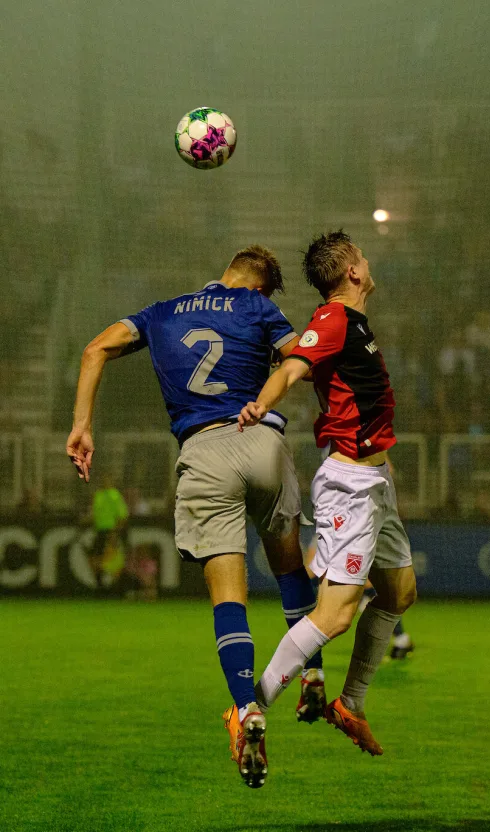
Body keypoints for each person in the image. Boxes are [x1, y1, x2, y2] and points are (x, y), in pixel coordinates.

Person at [66, 245, 325, 789]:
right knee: (288, 572)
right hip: (264, 441)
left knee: (228, 598)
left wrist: (83, 426)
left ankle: (245, 709)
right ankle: (314, 674)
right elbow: (302, 361)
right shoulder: (258, 310)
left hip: (205, 451)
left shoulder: (159, 312)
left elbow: (94, 350)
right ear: (257, 288)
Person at [239, 230, 416, 756]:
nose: (368, 260)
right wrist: (258, 404)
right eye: (362, 255)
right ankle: (249, 706)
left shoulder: (353, 322)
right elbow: (293, 367)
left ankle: (351, 703)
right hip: (350, 485)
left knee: (399, 593)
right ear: (353, 273)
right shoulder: (332, 319)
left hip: (375, 481)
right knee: (337, 614)